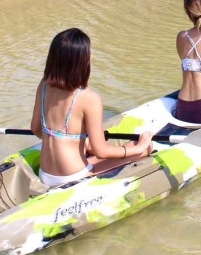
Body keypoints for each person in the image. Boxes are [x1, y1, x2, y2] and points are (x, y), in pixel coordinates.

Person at [31, 28, 152, 187]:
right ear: (82, 62)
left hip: (45, 174)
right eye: (89, 53)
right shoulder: (89, 98)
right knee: (146, 148)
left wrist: (74, 143)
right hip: (73, 176)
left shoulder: (44, 84)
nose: (91, 56)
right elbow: (101, 151)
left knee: (89, 147)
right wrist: (138, 147)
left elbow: (36, 128)